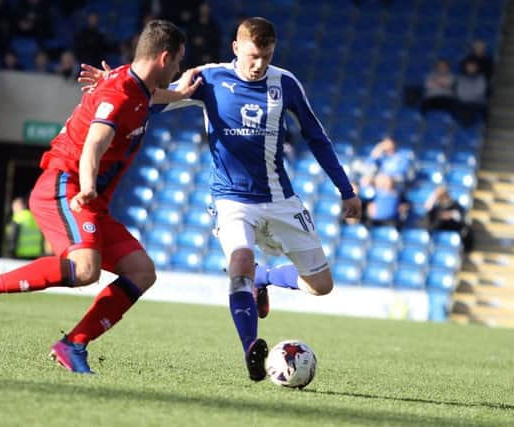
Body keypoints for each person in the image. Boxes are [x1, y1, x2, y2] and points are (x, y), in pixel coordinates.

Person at [81, 17, 362, 382]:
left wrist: (346, 190)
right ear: (236, 48)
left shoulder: (285, 83)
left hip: (280, 199)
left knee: (321, 286)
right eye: (252, 55)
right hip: (231, 199)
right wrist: (116, 83)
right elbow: (153, 97)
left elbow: (317, 137)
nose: (258, 64)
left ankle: (264, 277)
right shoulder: (209, 78)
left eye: (266, 55)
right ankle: (250, 347)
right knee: (239, 259)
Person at [0, 20, 200, 374]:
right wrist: (87, 186)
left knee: (141, 272)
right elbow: (92, 147)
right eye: (177, 62)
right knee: (86, 269)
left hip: (90, 197)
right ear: (164, 58)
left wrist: (179, 94)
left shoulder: (134, 85)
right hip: (66, 185)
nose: (178, 69)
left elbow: (147, 97)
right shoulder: (118, 94)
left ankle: (73, 344)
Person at [425, 186, 473, 252]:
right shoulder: (436, 208)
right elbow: (428, 211)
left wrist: (452, 215)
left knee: (466, 232)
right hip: (439, 230)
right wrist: (433, 197)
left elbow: (462, 218)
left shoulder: (455, 205)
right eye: (439, 196)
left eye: (442, 195)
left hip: (454, 229)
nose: (442, 198)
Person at [454, 60, 488, 127]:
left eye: (473, 66)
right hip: (464, 102)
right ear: (466, 67)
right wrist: (467, 98)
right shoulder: (461, 78)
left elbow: (480, 92)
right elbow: (460, 92)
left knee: (472, 109)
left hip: (477, 102)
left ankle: (472, 128)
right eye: (469, 66)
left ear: (476, 67)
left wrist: (468, 97)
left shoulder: (481, 78)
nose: (471, 68)